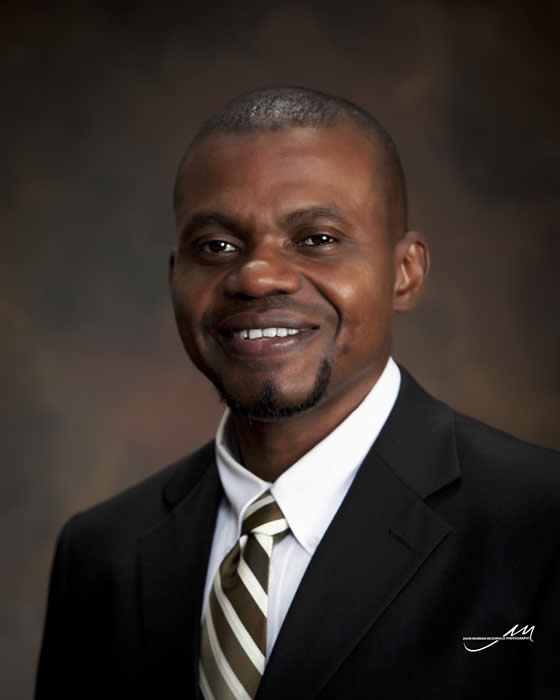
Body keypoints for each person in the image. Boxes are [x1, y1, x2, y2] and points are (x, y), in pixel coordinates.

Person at [35, 87, 559, 699]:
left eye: (318, 239)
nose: (257, 276)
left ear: (405, 273)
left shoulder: (541, 526)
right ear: (176, 277)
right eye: (217, 246)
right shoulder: (101, 554)